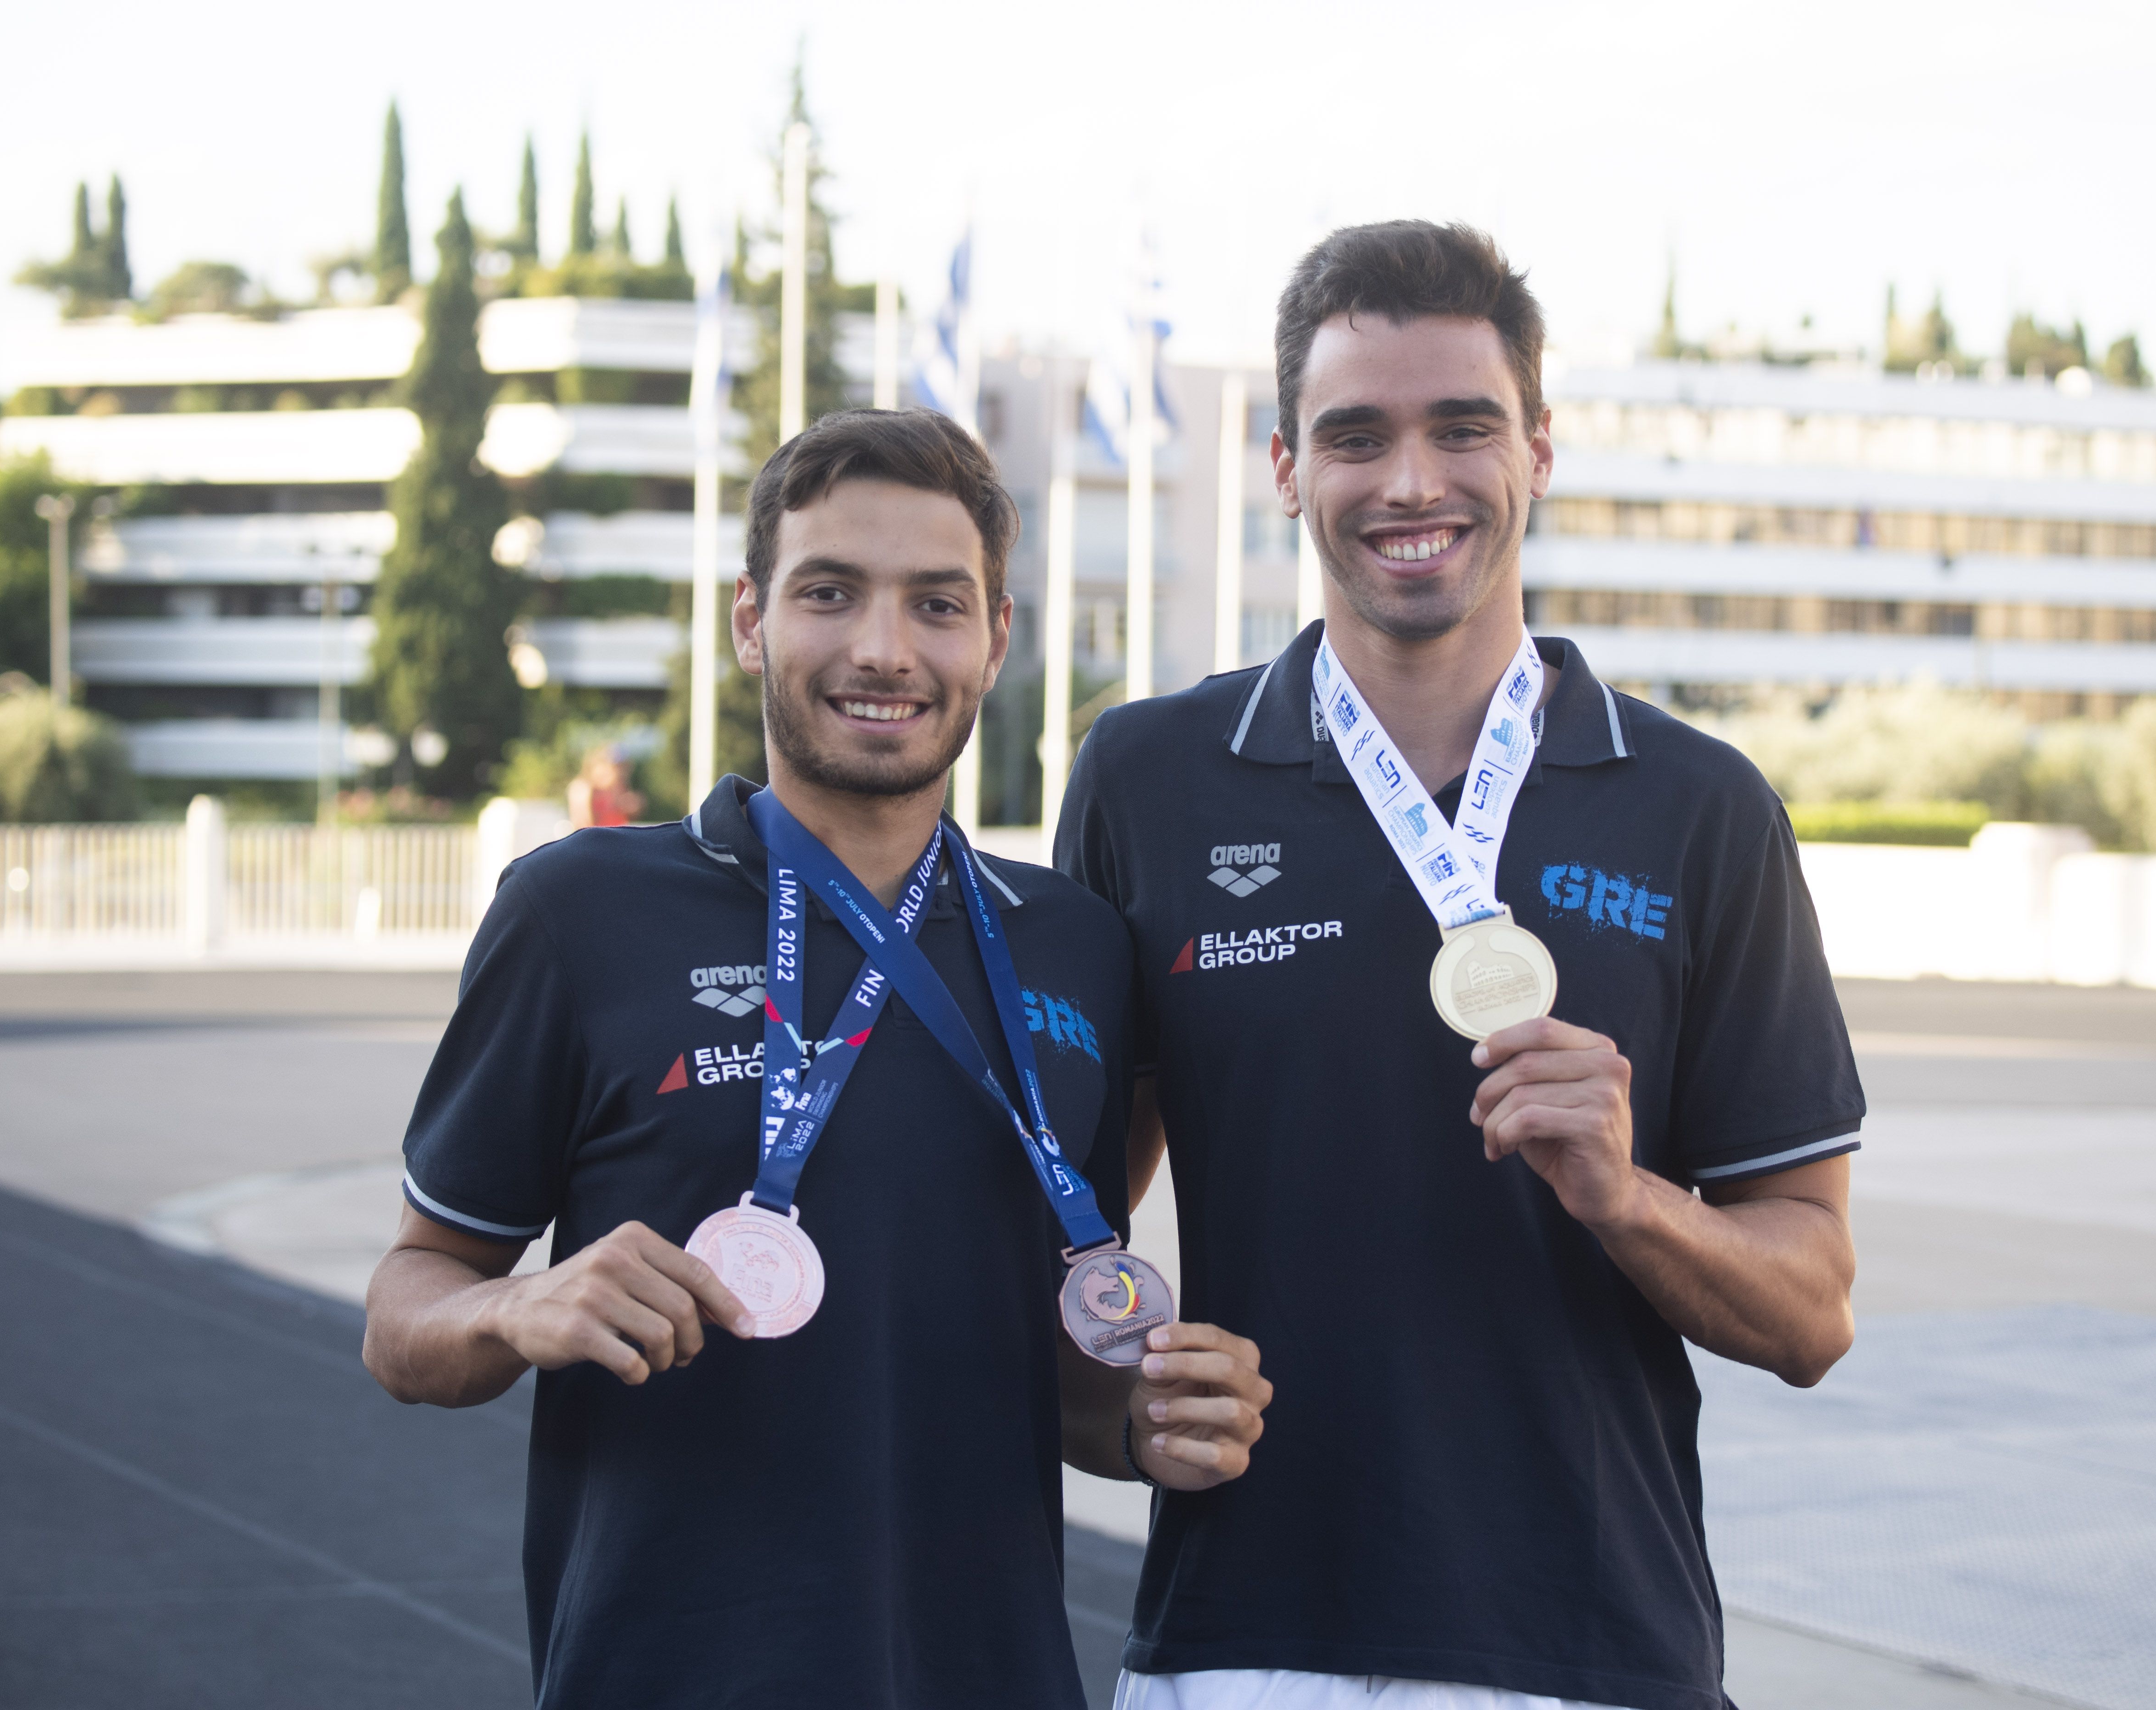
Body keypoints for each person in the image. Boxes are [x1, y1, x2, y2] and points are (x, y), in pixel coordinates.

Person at [1058, 223, 1864, 1710]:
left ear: (1539, 450)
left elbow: (1810, 1311)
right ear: (1287, 467)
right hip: (1242, 1640)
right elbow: (1056, 1227)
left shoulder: (1697, 806)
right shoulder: (1149, 777)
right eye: (1355, 436)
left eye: (1463, 428)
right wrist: (1116, 1416)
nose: (1411, 482)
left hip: (1590, 1648)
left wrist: (1624, 1197)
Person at [363, 409, 1271, 1709]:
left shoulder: (1074, 946)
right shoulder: (577, 913)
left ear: (995, 638)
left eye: (936, 604)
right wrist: (516, 1307)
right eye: (830, 592)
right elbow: (407, 1314)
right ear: (752, 620)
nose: (883, 649)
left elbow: (1045, 1358)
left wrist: (1147, 1422)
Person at [566, 743, 642, 828]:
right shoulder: (582, 788)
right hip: (597, 835)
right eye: (617, 767)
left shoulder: (618, 788)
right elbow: (583, 825)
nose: (621, 773)